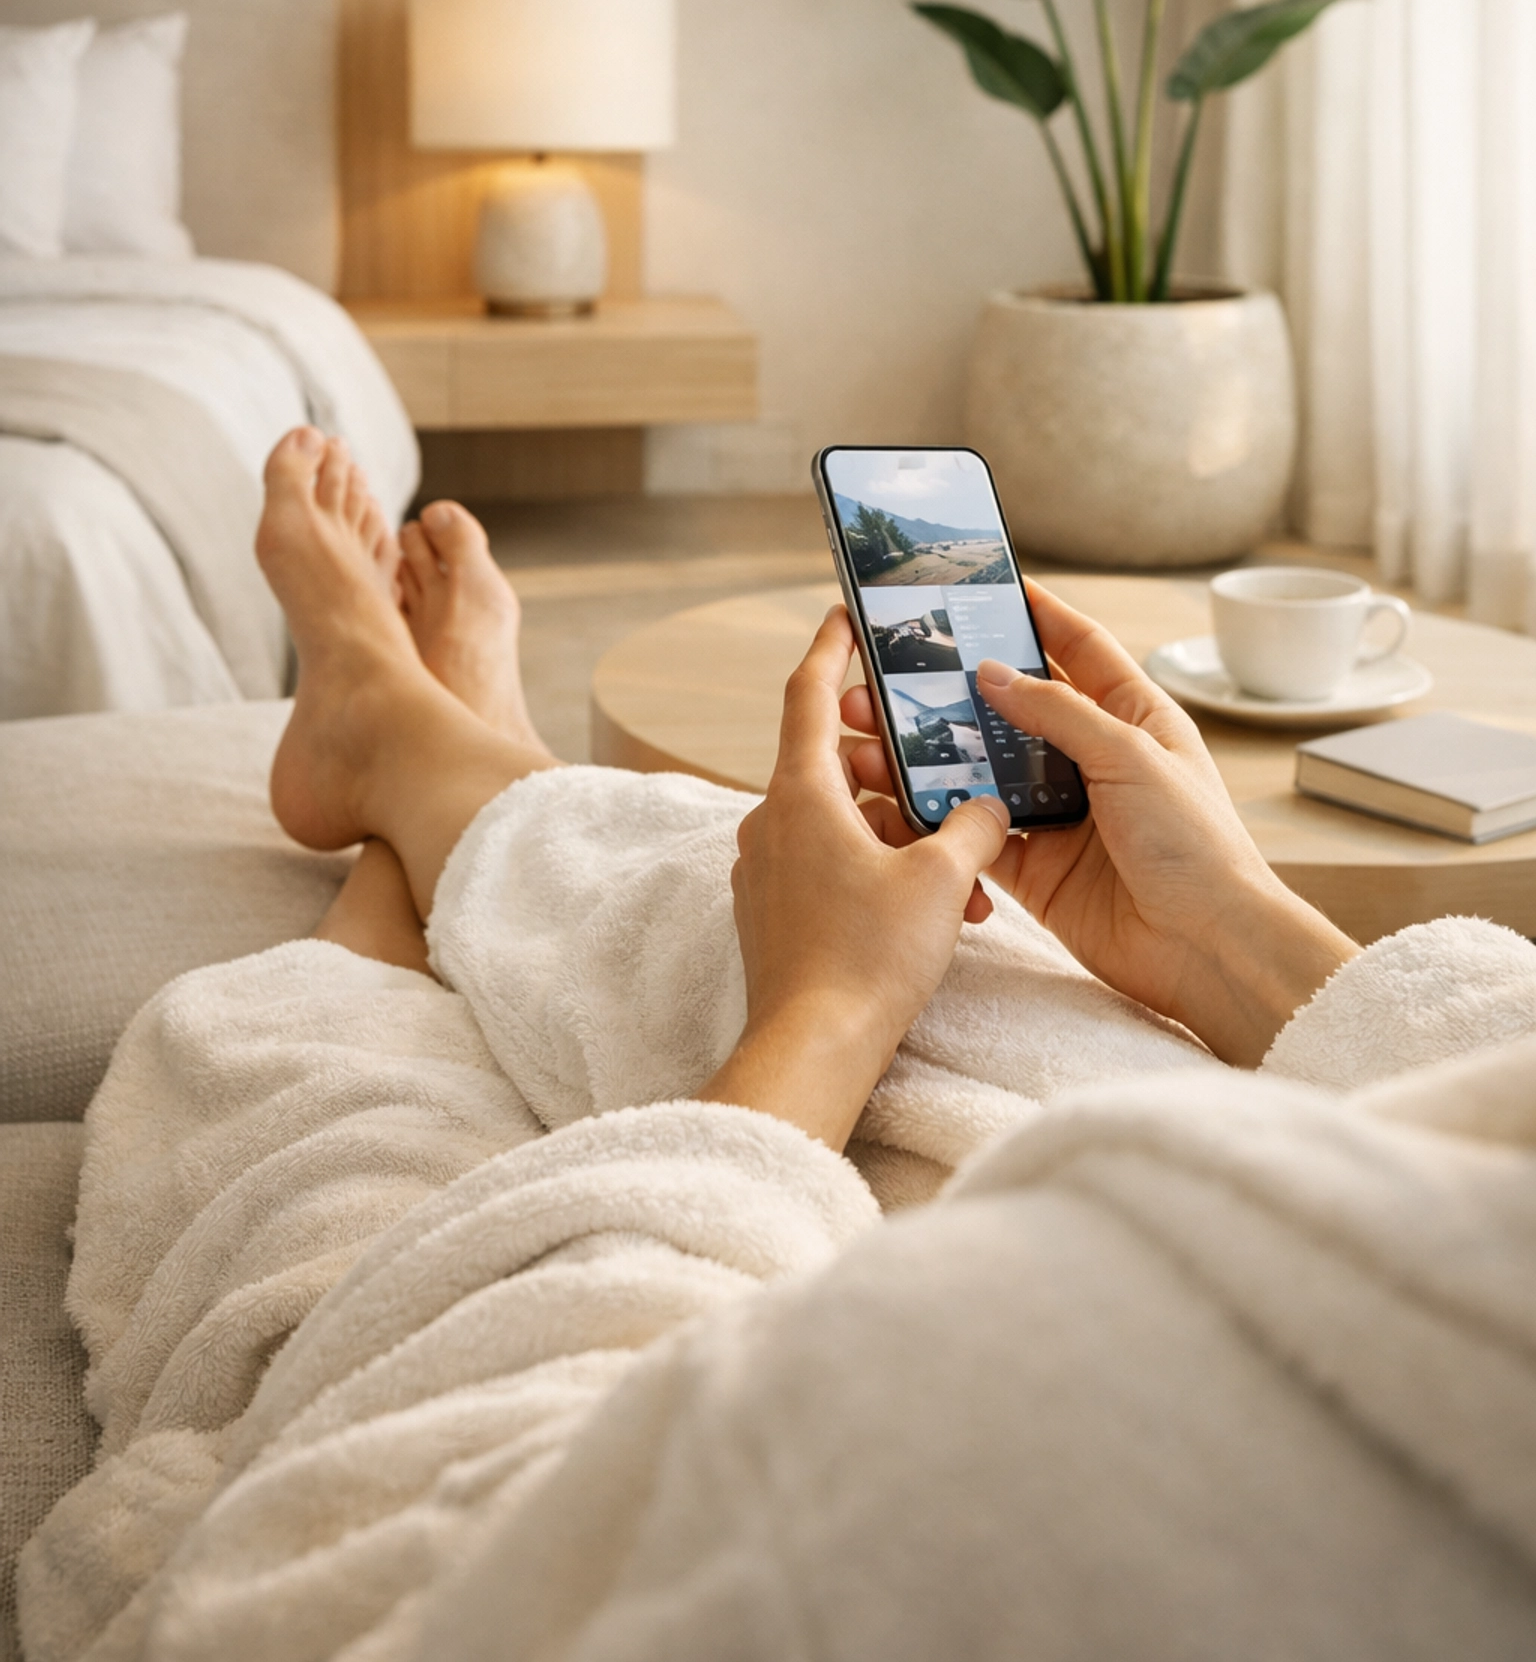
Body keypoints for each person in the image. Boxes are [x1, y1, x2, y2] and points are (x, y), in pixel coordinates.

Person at [21, 429, 1536, 1662]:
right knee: (949, 961)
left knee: (764, 981)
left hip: (929, 1281)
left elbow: (371, 1588)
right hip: (1255, 1159)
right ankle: (434, 765)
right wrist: (1232, 937)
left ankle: (406, 755)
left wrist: (825, 1012)